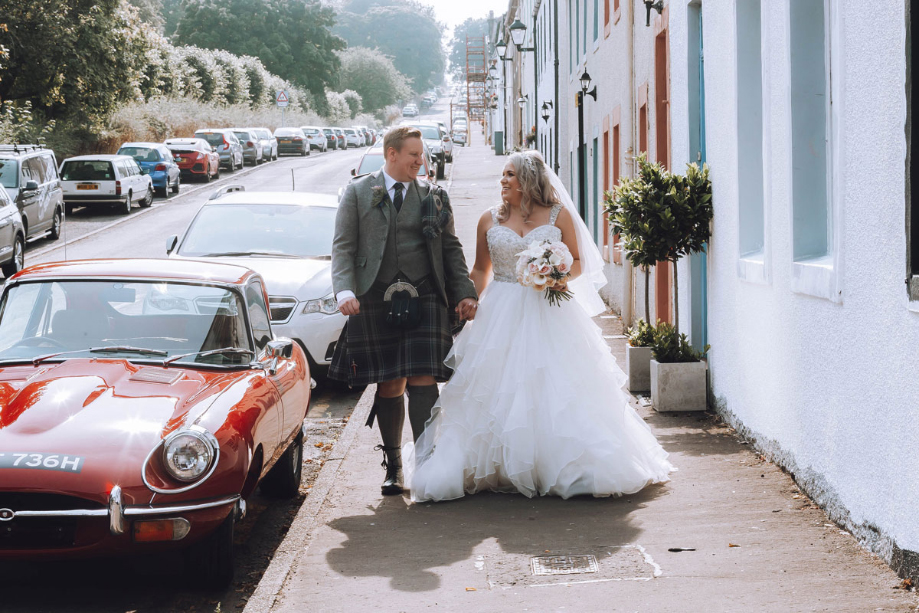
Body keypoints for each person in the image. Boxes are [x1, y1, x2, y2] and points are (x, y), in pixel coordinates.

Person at [405, 150, 674, 501]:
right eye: (502, 175)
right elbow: (481, 270)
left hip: (548, 308)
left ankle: (556, 463)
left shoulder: (558, 216)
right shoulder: (488, 219)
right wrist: (468, 299)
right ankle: (494, 463)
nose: (503, 181)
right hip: (500, 311)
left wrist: (556, 275)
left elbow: (578, 262)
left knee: (553, 384)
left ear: (529, 180)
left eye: (509, 175)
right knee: (495, 387)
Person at [329, 126, 478, 496]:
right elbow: (343, 247)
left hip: (425, 294)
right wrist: (344, 290)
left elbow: (451, 251)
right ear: (391, 154)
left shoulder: (434, 195)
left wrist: (464, 293)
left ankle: (426, 464)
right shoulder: (358, 192)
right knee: (390, 381)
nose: (420, 161)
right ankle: (394, 465)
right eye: (413, 154)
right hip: (374, 296)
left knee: (424, 378)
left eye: (422, 154)